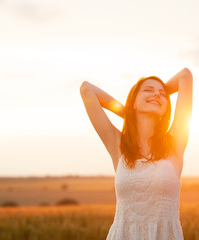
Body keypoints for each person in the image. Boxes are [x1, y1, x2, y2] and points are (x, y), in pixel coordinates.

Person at [80, 67, 193, 239]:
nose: (157, 94)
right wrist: (128, 112)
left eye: (162, 93)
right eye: (148, 90)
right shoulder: (118, 145)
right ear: (133, 101)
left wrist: (153, 98)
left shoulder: (174, 144)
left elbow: (185, 75)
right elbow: (86, 89)